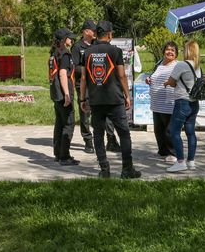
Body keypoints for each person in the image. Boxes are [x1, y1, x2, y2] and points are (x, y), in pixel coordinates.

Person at [79, 20, 141, 179]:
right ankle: (127, 169)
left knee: (98, 135)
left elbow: (84, 78)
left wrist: (82, 99)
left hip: (95, 100)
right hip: (114, 99)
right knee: (124, 134)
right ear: (109, 34)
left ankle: (104, 169)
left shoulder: (87, 52)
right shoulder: (115, 51)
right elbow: (121, 75)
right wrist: (127, 95)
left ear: (97, 34)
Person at [71, 19, 121, 154]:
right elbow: (75, 67)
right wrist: (90, 70)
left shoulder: (96, 45)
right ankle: (88, 140)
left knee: (106, 112)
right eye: (93, 30)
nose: (95, 33)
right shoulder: (77, 47)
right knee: (85, 113)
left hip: (99, 84)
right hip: (84, 84)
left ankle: (111, 139)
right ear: (85, 31)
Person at [164, 40, 201, 173]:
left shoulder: (181, 65)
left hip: (182, 102)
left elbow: (172, 81)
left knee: (174, 131)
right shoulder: (198, 66)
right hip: (194, 103)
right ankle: (191, 161)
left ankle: (180, 162)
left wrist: (167, 83)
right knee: (190, 133)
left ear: (187, 51)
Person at [49, 28, 80, 166]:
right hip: (63, 94)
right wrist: (67, 94)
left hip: (55, 93)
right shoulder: (65, 55)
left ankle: (58, 153)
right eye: (69, 38)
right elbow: (62, 74)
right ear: (63, 40)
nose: (71, 40)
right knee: (68, 123)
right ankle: (64, 156)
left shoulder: (53, 53)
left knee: (59, 123)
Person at [146, 41, 178, 163]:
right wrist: (149, 79)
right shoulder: (159, 64)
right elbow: (154, 77)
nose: (169, 52)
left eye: (173, 50)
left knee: (169, 130)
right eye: (168, 49)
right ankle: (163, 151)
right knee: (158, 130)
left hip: (169, 103)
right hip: (156, 103)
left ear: (176, 54)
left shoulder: (177, 65)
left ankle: (173, 153)